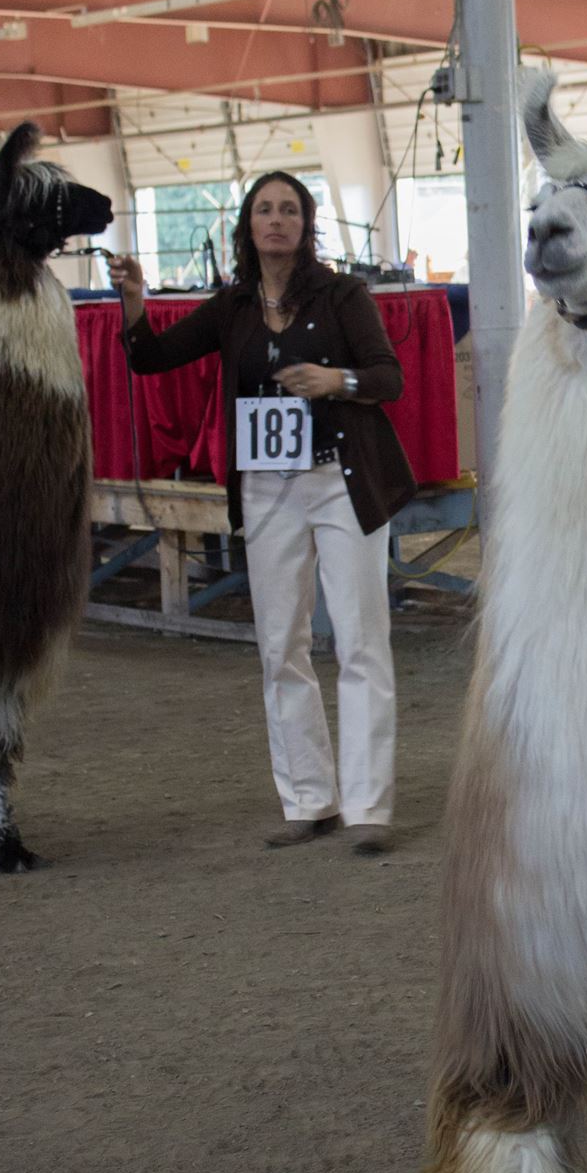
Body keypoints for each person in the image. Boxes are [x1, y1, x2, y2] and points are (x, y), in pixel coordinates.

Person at [109, 172, 416, 855]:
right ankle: (308, 800)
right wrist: (134, 301)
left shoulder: (344, 295)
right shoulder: (232, 307)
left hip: (343, 478)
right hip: (267, 487)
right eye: (263, 210)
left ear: (307, 224)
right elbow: (149, 359)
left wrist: (339, 380)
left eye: (288, 209)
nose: (276, 220)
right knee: (281, 645)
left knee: (360, 641)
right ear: (247, 225)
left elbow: (389, 377)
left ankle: (369, 805)